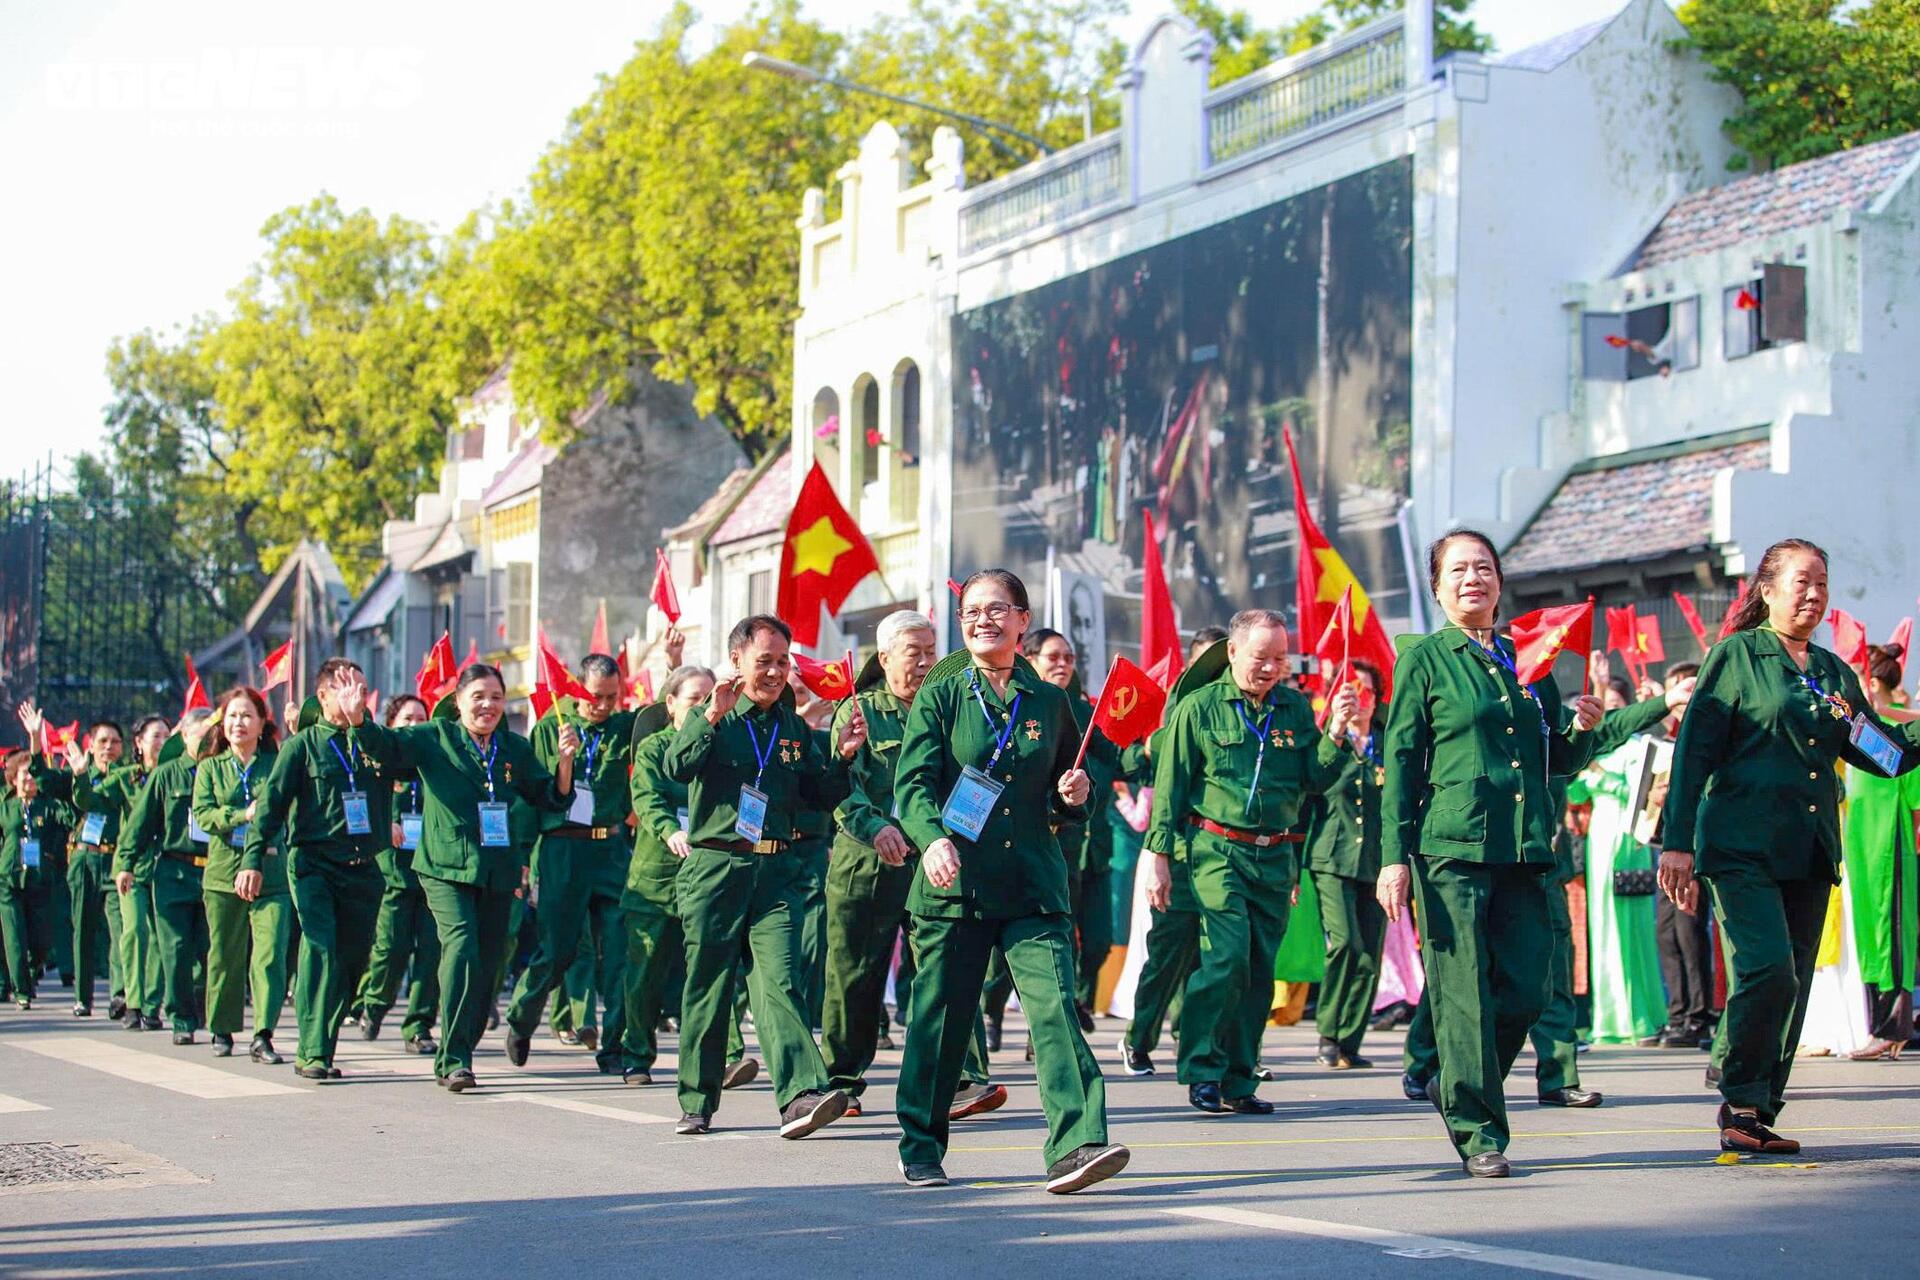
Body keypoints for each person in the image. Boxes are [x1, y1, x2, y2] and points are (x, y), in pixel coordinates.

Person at [1660, 538, 1920, 1153]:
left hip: (1807, 851)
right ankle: (1735, 1075)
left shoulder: (1832, 672)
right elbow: (1695, 751)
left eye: (1822, 583)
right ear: (1767, 589)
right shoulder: (1736, 658)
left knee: (1795, 981)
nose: (1814, 594)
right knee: (1768, 968)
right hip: (1740, 848)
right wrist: (1678, 845)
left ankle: (1753, 1109)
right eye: (1801, 581)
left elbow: (1879, 753)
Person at [1377, 530, 1605, 1178]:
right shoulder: (1424, 659)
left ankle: (1465, 1086)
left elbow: (1555, 756)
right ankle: (1479, 1129)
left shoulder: (1526, 657)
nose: (1473, 577)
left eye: (1484, 567)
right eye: (1459, 569)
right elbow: (1400, 761)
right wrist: (1395, 858)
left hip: (1524, 847)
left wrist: (1592, 727)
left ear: (1500, 582)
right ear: (1438, 586)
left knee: (1530, 988)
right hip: (1453, 850)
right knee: (1464, 996)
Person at [892, 570, 1127, 1193]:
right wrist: (931, 838)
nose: (983, 620)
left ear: (1023, 620)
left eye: (998, 610)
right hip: (955, 884)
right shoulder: (942, 694)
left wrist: (1077, 794)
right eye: (972, 611)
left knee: (1054, 1012)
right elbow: (911, 785)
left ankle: (1078, 1145)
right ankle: (919, 1141)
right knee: (941, 1023)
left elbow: (1072, 787)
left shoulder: (1051, 703)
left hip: (1031, 883)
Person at [660, 615, 864, 1137]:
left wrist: (841, 756)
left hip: (775, 869)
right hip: (715, 867)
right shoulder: (714, 714)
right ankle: (697, 1101)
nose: (774, 672)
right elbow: (676, 768)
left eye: (782, 661)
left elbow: (820, 795)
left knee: (780, 982)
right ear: (737, 661)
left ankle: (799, 1095)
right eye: (763, 661)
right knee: (709, 985)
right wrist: (708, 717)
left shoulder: (794, 727)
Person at [1148, 609, 1355, 1113]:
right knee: (1226, 958)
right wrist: (1157, 856)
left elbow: (1314, 779)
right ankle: (1201, 1067)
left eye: (1280, 658)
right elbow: (1170, 788)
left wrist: (1337, 733)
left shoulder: (1295, 708)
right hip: (1216, 849)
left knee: (1261, 970)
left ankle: (1239, 1079)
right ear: (1234, 652)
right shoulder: (1197, 708)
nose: (1270, 668)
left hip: (1275, 855)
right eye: (1261, 657)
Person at [353, 663, 578, 1091]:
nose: (488, 705)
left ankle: (464, 1044)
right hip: (444, 867)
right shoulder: (433, 736)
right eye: (478, 696)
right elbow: (385, 747)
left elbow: (549, 796)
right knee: (460, 949)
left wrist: (565, 763)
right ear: (457, 701)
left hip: (496, 870)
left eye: (496, 697)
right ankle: (453, 1059)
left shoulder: (513, 748)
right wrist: (359, 718)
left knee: (490, 964)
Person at [820, 611, 1002, 1118]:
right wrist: (874, 827)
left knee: (946, 968)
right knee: (855, 975)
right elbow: (844, 786)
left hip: (934, 861)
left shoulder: (950, 706)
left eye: (930, 651)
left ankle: (965, 1078)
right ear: (884, 659)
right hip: (868, 865)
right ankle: (842, 1081)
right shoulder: (859, 711)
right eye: (912, 653)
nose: (925, 662)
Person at [246, 659, 403, 1081]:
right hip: (314, 864)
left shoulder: (374, 742)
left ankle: (324, 1042)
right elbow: (271, 806)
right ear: (323, 696)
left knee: (353, 960)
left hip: (364, 868)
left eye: (362, 688)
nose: (355, 696)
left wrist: (361, 725)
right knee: (320, 947)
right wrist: (253, 859)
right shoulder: (304, 745)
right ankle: (312, 1050)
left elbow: (399, 767)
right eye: (344, 688)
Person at [503, 653, 636, 1076]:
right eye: (596, 696)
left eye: (611, 697)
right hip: (563, 848)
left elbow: (664, 719)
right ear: (577, 690)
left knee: (618, 953)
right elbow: (529, 796)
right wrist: (523, 857)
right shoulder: (549, 728)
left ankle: (613, 1047)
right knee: (559, 949)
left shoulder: (622, 727)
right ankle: (522, 1017)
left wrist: (671, 665)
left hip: (610, 850)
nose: (603, 705)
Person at [621, 665, 712, 1086]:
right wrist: (669, 830)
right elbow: (648, 797)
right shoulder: (654, 747)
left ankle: (722, 1057)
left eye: (711, 698)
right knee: (646, 974)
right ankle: (636, 1054)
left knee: (712, 969)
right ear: (671, 704)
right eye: (695, 699)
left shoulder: (720, 745)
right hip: (657, 878)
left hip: (710, 875)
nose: (705, 707)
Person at [192, 686, 290, 1063]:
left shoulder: (275, 763)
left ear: (263, 722)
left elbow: (283, 807)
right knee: (225, 955)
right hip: (222, 873)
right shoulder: (210, 767)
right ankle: (222, 1026)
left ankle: (263, 1033)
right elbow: (204, 815)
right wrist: (240, 815)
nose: (239, 722)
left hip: (270, 873)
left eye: (247, 715)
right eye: (232, 715)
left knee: (269, 956)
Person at [1570, 675, 1667, 1045]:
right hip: (1600, 840)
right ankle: (1610, 1019)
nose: (1609, 710)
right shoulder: (1596, 748)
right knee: (1604, 931)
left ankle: (1642, 1018)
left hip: (1630, 840)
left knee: (1633, 932)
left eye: (1614, 703)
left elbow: (1641, 794)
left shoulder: (1642, 747)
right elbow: (1576, 791)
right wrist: (1582, 770)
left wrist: (1601, 777)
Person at [1305, 658, 1388, 1070]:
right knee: (1345, 944)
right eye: (1353, 691)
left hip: (1376, 861)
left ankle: (1349, 1041)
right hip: (1331, 856)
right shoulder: (1327, 740)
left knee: (1370, 954)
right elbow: (1310, 791)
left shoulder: (1389, 743)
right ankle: (1328, 1031)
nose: (1361, 700)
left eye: (1368, 692)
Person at [118, 707, 217, 1045]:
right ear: (184, 736)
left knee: (210, 949)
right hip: (175, 870)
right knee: (175, 949)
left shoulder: (221, 771)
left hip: (215, 870)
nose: (207, 741)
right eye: (200, 735)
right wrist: (126, 863)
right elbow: (140, 824)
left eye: (210, 735)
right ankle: (181, 1018)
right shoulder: (167, 775)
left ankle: (206, 1007)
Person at [1839, 643, 1918, 1058]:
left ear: (1869, 683)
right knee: (1871, 935)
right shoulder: (1857, 730)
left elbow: (1916, 801)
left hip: (1894, 845)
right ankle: (1877, 1027)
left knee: (1893, 935)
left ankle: (1895, 1025)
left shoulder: (1897, 729)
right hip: (1860, 848)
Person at [351, 693, 439, 1055]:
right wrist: (383, 822)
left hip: (434, 873)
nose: (414, 725)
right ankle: (374, 1003)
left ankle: (418, 1026)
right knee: (391, 948)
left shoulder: (435, 758)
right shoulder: (380, 760)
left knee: (431, 953)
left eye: (421, 718)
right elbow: (363, 801)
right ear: (391, 725)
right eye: (406, 719)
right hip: (395, 873)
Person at [1119, 727, 1198, 1077]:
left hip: (1228, 859)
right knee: (1167, 956)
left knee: (1220, 958)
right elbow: (1126, 765)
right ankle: (1138, 1039)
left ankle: (1198, 1041)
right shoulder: (1177, 729)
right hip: (1176, 856)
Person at [1646, 661, 1714, 1049]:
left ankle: (1698, 1018)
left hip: (1696, 848)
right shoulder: (1667, 745)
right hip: (1664, 848)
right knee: (1667, 933)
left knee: (1690, 932)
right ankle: (1677, 1015)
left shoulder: (1707, 737)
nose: (1678, 703)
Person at [92, 714, 170, 1031]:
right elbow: (90, 799)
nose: (162, 742)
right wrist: (82, 776)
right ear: (138, 742)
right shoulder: (126, 778)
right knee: (134, 931)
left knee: (158, 938)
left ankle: (152, 1005)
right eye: (156, 736)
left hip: (165, 865)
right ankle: (133, 1002)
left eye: (167, 736)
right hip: (132, 867)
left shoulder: (175, 775)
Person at [48, 717, 124, 1017]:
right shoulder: (79, 773)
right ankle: (83, 997)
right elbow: (47, 782)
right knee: (84, 927)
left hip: (117, 859)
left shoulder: (128, 777)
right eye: (102, 741)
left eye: (115, 741)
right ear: (90, 746)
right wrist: (78, 774)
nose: (108, 747)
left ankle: (120, 994)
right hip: (85, 858)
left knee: (119, 929)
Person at [1, 748, 59, 1009]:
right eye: (24, 774)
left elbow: (68, 820)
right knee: (14, 939)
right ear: (13, 778)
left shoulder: (47, 805)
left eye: (33, 775)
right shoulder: (5, 806)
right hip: (8, 881)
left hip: (39, 880)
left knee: (41, 942)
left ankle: (32, 973)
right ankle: (21, 991)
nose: (29, 780)